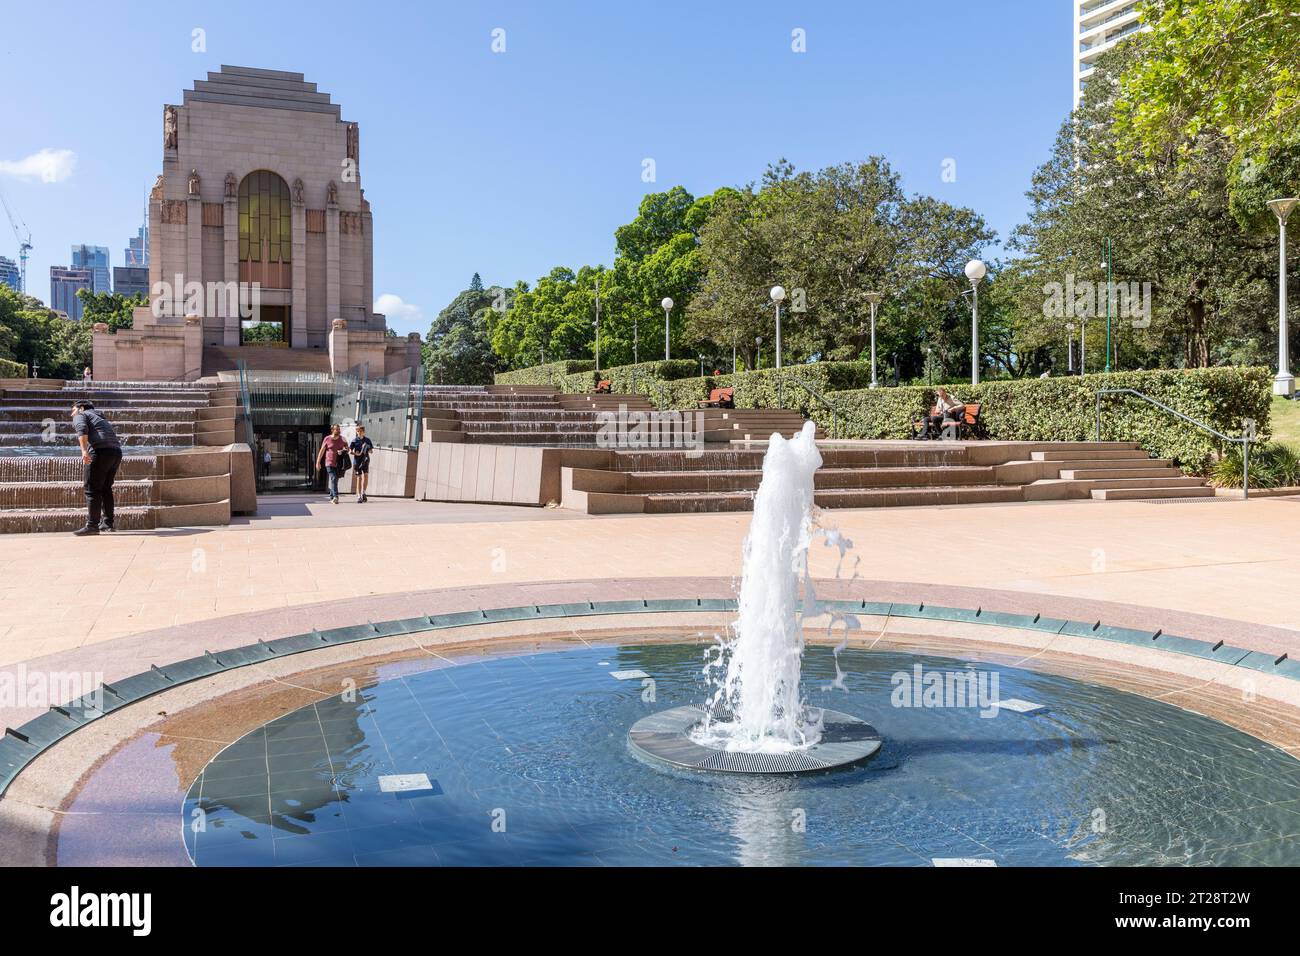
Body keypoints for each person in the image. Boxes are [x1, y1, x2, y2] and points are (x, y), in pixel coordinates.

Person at [70, 400, 122, 536]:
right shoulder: (99, 417)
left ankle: (92, 525)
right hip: (116, 452)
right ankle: (107, 523)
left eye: (73, 410)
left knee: (91, 488)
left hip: (100, 451)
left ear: (81, 408)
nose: (72, 414)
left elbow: (81, 429)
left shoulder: (82, 414)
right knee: (105, 488)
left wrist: (84, 451)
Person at [315, 425, 348, 504]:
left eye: (339, 429)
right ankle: (336, 497)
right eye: (336, 429)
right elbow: (322, 450)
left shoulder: (342, 438)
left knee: (335, 479)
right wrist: (318, 462)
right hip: (329, 462)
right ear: (332, 430)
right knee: (333, 478)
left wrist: (342, 450)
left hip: (339, 463)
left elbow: (347, 448)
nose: (338, 430)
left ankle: (331, 495)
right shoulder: (327, 438)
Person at [349, 425, 375, 503]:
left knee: (366, 475)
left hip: (366, 460)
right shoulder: (354, 441)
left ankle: (364, 492)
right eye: (358, 431)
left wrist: (367, 448)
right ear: (356, 432)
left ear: (364, 432)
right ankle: (359, 496)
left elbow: (371, 451)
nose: (359, 433)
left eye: (361, 431)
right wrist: (355, 453)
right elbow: (350, 451)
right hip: (357, 461)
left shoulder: (367, 440)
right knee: (359, 478)